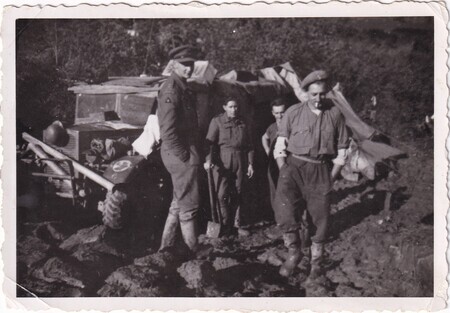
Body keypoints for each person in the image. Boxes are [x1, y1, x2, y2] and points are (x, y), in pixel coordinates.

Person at [273, 70, 349, 279]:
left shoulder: (336, 115)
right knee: (285, 212)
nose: (318, 98)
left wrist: (331, 177)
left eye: (322, 94)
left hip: (320, 169)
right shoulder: (293, 112)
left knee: (320, 217)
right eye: (314, 94)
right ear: (306, 93)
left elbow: (343, 150)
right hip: (293, 168)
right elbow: (281, 144)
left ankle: (316, 262)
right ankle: (293, 253)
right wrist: (284, 170)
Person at [157, 45, 202, 254]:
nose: (189, 69)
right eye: (185, 65)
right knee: (189, 204)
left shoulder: (182, 87)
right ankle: (193, 249)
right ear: (174, 64)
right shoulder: (171, 90)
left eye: (191, 64)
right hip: (179, 152)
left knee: (178, 201)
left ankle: (165, 248)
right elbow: (167, 131)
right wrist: (185, 156)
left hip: (182, 150)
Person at [204, 99, 254, 236]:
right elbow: (209, 144)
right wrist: (209, 160)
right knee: (221, 195)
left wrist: (250, 163)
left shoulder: (243, 122)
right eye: (231, 107)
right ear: (224, 107)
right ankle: (224, 226)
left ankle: (237, 225)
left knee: (238, 193)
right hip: (223, 160)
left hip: (240, 159)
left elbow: (249, 145)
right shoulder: (217, 121)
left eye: (236, 106)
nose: (234, 110)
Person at [261, 98, 287, 209]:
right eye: (277, 113)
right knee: (275, 188)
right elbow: (264, 137)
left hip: (287, 163)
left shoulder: (292, 126)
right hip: (273, 164)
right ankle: (279, 217)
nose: (280, 116)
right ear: (272, 113)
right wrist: (267, 150)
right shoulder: (272, 128)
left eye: (282, 112)